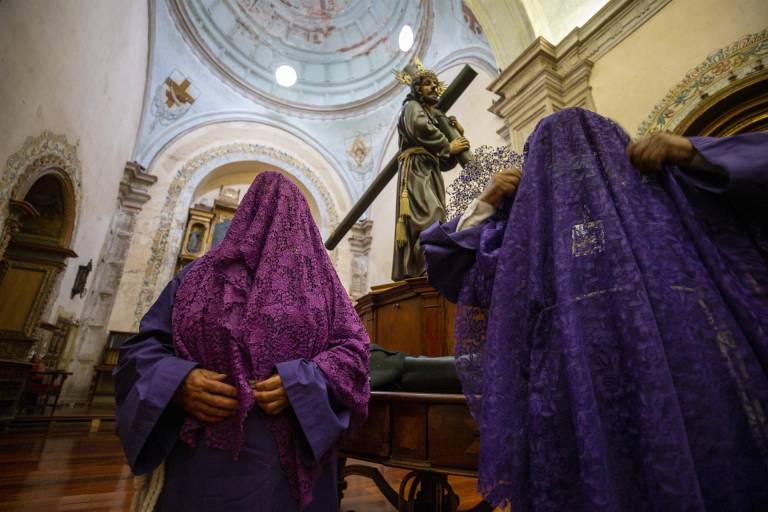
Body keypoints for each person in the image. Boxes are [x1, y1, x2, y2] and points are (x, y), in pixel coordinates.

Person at [421, 108, 768, 510]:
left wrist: (694, 153)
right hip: (568, 391)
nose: (573, 167)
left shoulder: (658, 194)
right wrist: (487, 200)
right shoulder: (527, 234)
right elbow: (452, 267)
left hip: (677, 380)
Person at [114, 172, 370, 512]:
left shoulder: (323, 286)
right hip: (201, 464)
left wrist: (301, 382)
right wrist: (180, 381)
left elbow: (354, 353)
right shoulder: (197, 277)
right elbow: (142, 349)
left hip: (287, 466)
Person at [391, 61, 470, 281]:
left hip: (430, 170)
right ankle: (424, 264)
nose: (434, 88)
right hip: (416, 169)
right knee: (428, 215)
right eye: (428, 84)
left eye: (436, 84)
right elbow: (419, 127)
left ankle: (431, 262)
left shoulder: (435, 116)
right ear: (417, 88)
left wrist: (455, 138)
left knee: (439, 215)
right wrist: (447, 144)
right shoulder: (411, 107)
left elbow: (445, 162)